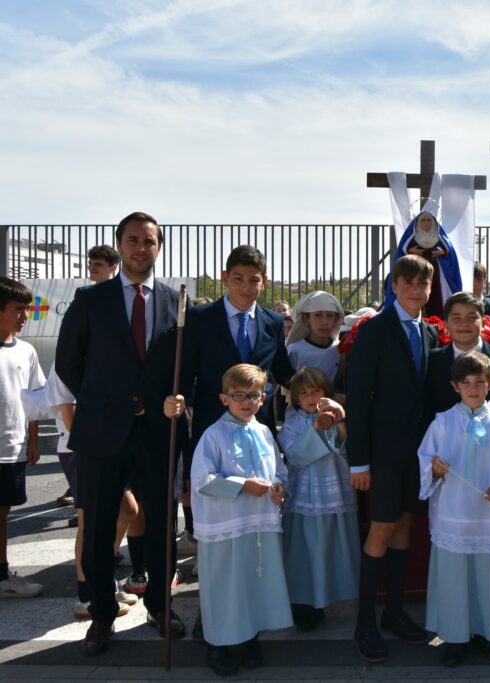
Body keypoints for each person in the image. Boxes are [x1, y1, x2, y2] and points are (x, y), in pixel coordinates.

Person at [55, 212, 190, 654]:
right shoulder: (90, 300)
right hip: (102, 432)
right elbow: (68, 362)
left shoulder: (177, 302)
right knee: (97, 529)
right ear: (120, 244)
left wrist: (177, 398)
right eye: (132, 240)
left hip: (157, 432)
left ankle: (159, 604)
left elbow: (186, 366)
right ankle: (101, 615)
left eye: (148, 241)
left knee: (162, 524)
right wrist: (103, 403)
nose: (139, 248)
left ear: (159, 247)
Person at [168, 245, 293, 569]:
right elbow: (186, 369)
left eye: (253, 280)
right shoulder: (199, 318)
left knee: (253, 497)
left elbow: (282, 368)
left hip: (257, 426)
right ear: (225, 279)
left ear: (264, 281)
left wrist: (317, 391)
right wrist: (178, 397)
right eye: (238, 279)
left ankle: (255, 578)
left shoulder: (271, 321)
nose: (246, 287)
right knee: (217, 494)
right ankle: (207, 565)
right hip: (213, 423)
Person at [347, 254, 440, 662]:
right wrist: (359, 462)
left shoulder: (429, 333)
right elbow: (358, 400)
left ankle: (395, 613)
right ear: (395, 285)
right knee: (382, 528)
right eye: (410, 283)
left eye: (424, 284)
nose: (417, 290)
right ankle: (364, 622)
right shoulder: (375, 331)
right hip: (382, 454)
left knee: (404, 524)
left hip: (416, 453)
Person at [46, 250, 142, 616]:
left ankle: (100, 578)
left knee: (125, 509)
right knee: (89, 520)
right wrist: (87, 441)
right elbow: (65, 402)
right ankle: (86, 593)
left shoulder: (105, 353)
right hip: (82, 445)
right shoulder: (73, 354)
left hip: (102, 441)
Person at [184, 364, 292, 676]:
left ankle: (249, 638)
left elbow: (278, 470)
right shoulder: (213, 434)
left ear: (263, 399)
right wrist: (243, 485)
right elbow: (203, 479)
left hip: (258, 522)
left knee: (252, 582)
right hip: (226, 525)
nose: (246, 401)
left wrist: (279, 488)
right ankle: (217, 642)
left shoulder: (263, 432)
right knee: (225, 586)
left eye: (254, 395)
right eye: (239, 395)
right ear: (224, 398)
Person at [418, 352, 490, 666]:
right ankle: (456, 637)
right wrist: (434, 469)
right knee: (453, 576)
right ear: (455, 386)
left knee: (488, 576)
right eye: (466, 383)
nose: (473, 389)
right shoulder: (443, 422)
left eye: (480, 382)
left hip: (489, 512)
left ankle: (488, 633)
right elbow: (426, 458)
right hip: (453, 512)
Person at [277, 367, 358, 633]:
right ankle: (304, 603)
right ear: (295, 398)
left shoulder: (339, 417)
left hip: (335, 492)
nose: (311, 398)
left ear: (327, 394)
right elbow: (297, 455)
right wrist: (315, 426)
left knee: (330, 546)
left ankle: (328, 595)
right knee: (305, 548)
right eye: (304, 393)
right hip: (304, 496)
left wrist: (340, 421)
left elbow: (351, 449)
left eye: (316, 391)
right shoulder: (291, 424)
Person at [0, 277, 45, 599]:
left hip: (10, 449)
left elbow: (33, 400)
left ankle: (2, 575)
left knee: (3, 512)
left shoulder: (26, 351)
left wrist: (32, 441)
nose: (24, 316)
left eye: (27, 309)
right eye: (18, 309)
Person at [425, 292, 490, 417]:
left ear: (483, 323)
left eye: (472, 317)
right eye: (456, 318)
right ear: (446, 325)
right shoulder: (434, 360)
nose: (464, 323)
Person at [384, 211, 462, 318]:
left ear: (434, 223)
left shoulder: (439, 237)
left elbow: (449, 252)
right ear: (418, 224)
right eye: (423, 220)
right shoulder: (412, 237)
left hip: (435, 274)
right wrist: (410, 251)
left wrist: (444, 252)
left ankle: (436, 320)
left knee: (435, 296)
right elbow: (403, 250)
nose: (426, 223)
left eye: (429, 220)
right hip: (413, 272)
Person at [286, 290, 344, 385]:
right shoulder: (294, 350)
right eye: (318, 315)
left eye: (329, 315)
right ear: (306, 319)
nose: (324, 322)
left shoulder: (339, 349)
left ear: (336, 319)